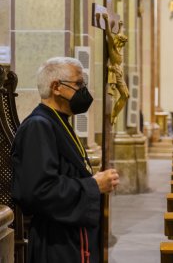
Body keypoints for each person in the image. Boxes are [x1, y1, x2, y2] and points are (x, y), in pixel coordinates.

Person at [11, 57, 120, 263]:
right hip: (55, 243)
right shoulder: (38, 127)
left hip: (71, 237)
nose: (83, 90)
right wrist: (93, 185)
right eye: (78, 83)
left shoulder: (56, 121)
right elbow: (38, 191)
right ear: (56, 87)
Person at [101, 12, 129, 125]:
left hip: (119, 73)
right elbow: (108, 33)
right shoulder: (113, 48)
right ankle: (113, 114)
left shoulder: (118, 49)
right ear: (118, 41)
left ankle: (115, 113)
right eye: (122, 42)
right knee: (125, 95)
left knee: (126, 95)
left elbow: (119, 34)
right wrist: (106, 20)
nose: (122, 45)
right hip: (115, 73)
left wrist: (120, 26)